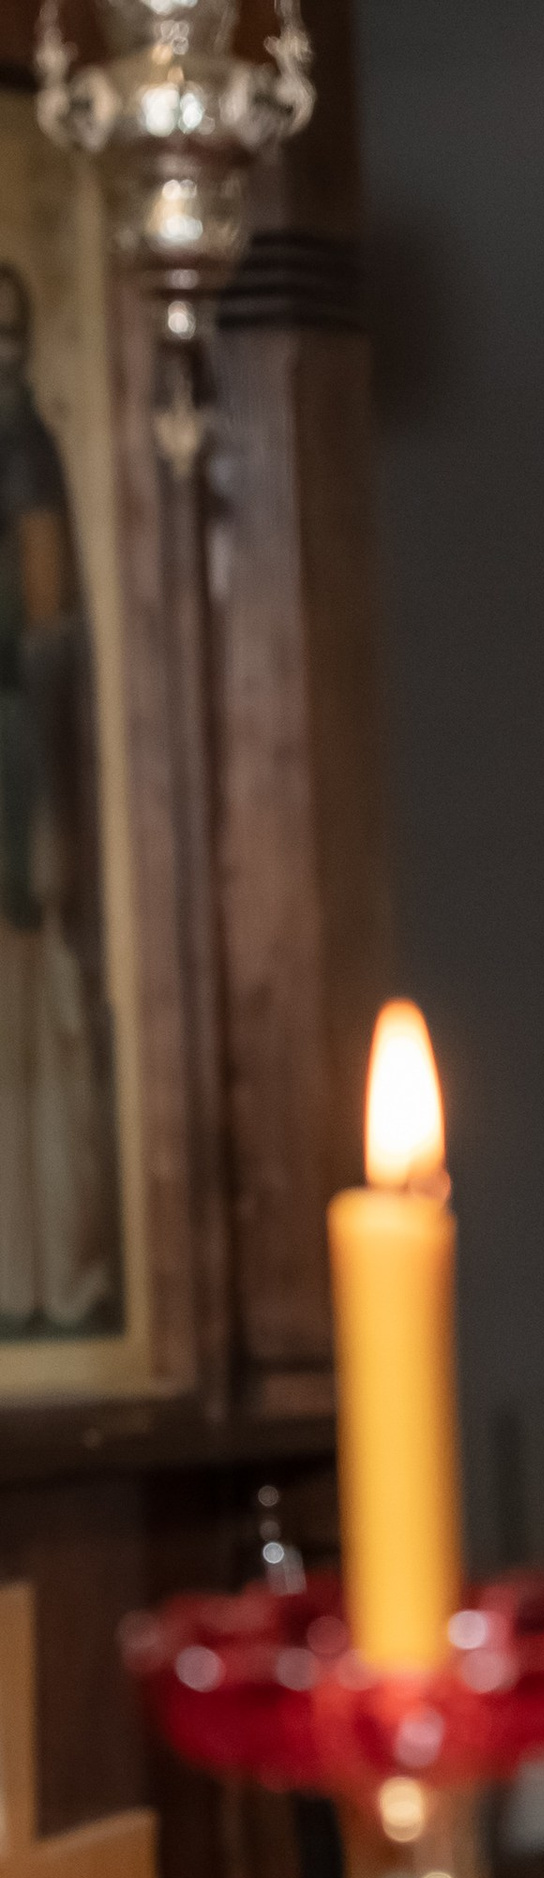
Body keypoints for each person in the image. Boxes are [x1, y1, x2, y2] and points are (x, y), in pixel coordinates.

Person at [0, 256, 116, 1339]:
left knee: (27, 1023)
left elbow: (43, 627)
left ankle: (37, 1272)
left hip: (12, 764)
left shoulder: (19, 445)